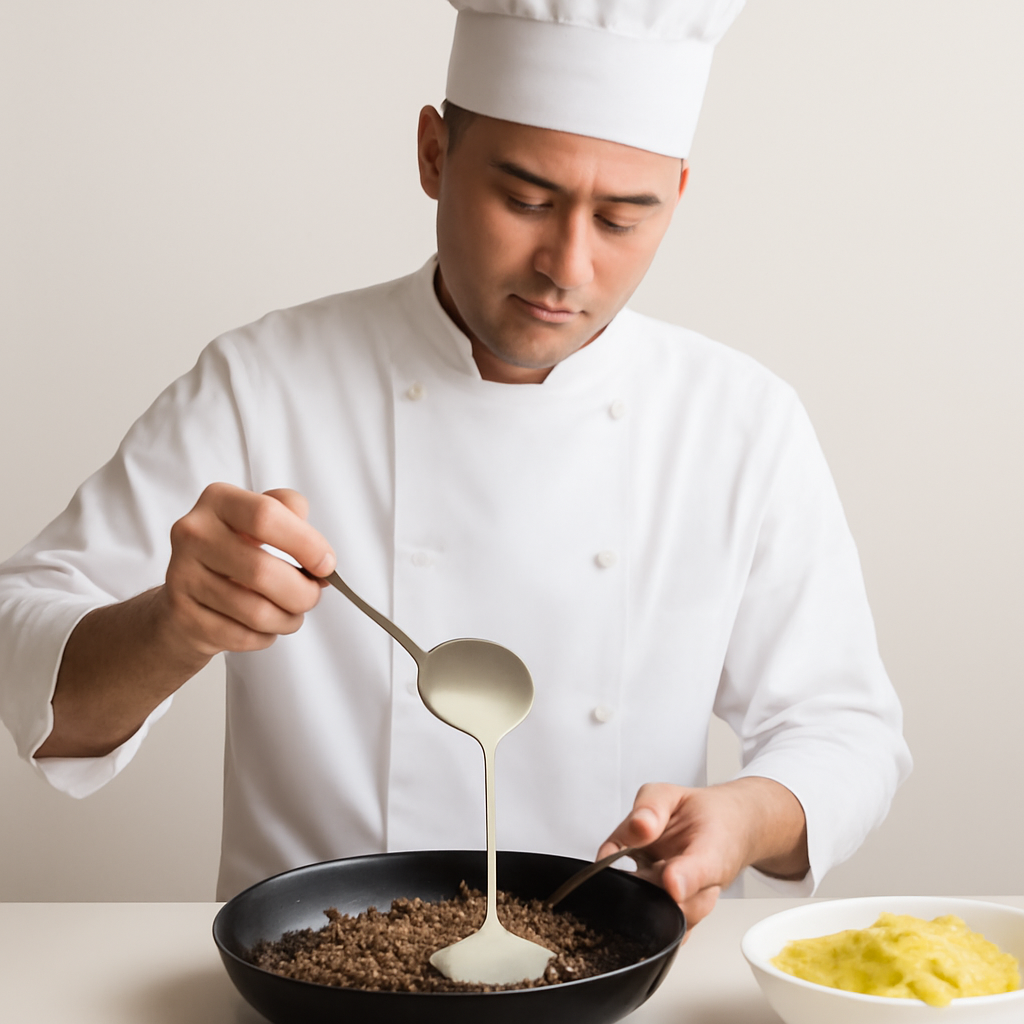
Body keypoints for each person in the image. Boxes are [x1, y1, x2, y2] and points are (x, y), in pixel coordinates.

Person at [0, 0, 910, 926]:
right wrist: (173, 626)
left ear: (677, 196)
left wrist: (746, 818)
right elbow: (28, 665)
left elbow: (845, 730)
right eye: (525, 200)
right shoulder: (264, 383)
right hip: (310, 981)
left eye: (623, 219)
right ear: (435, 154)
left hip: (622, 976)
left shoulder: (740, 421)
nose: (568, 265)